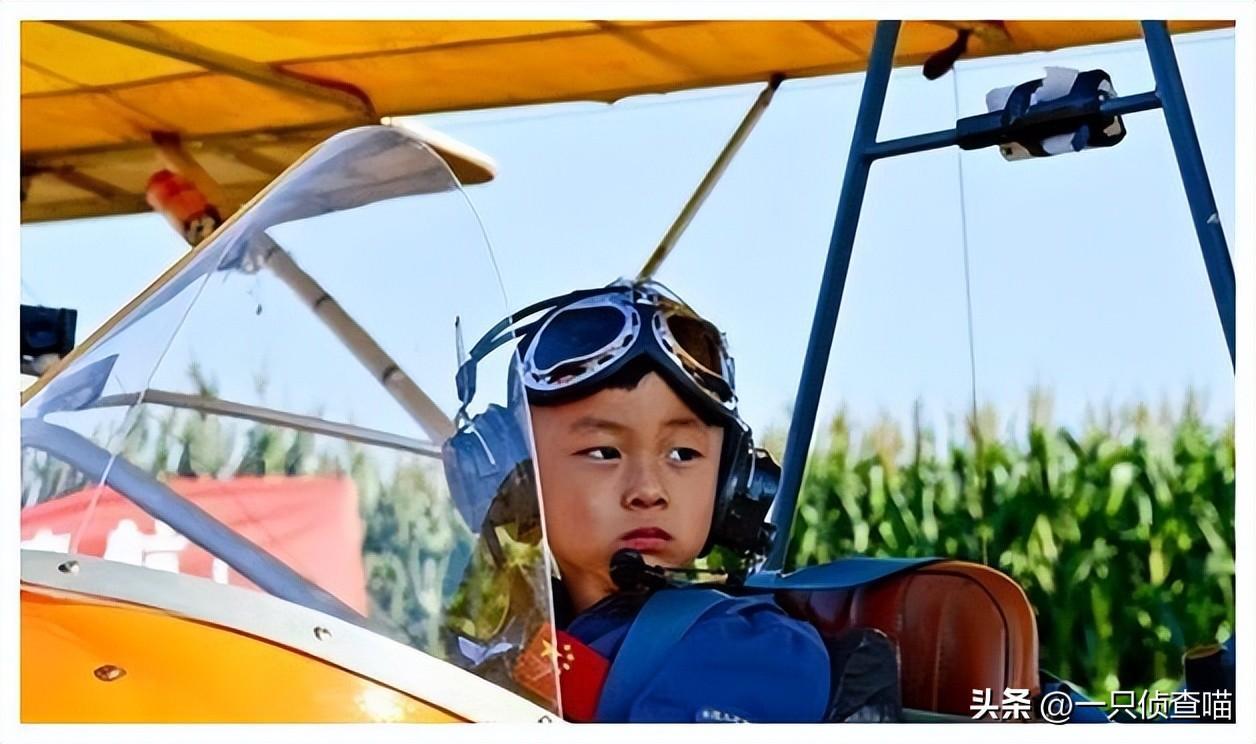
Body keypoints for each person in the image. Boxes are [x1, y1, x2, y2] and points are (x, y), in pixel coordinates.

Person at [445, 278, 831, 722]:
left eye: (682, 454)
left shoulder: (752, 651)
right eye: (603, 453)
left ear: (733, 482)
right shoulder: (519, 643)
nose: (648, 490)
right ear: (520, 479)